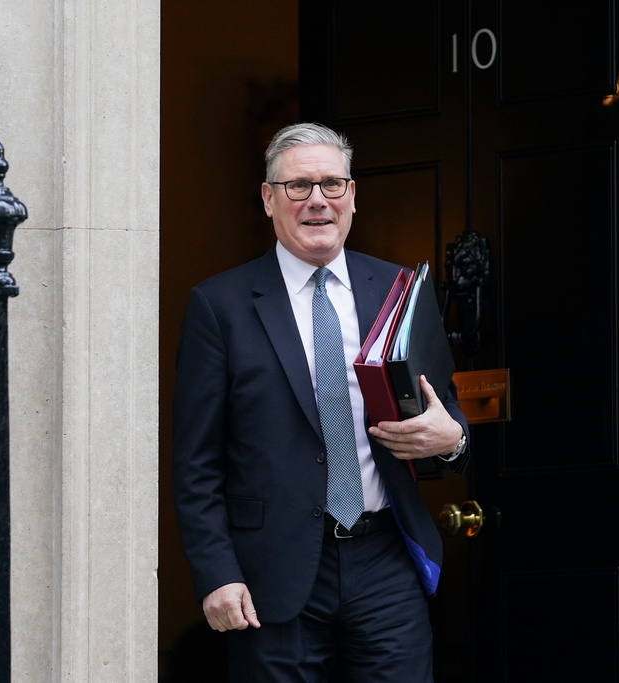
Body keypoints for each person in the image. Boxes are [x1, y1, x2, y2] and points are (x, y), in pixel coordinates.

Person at [172, 122, 470, 682]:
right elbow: (196, 464)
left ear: (352, 196)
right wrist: (216, 573)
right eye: (298, 186)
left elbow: (445, 412)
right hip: (270, 575)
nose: (317, 201)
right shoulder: (219, 306)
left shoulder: (400, 289)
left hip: (385, 561)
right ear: (268, 199)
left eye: (332, 184)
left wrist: (452, 439)